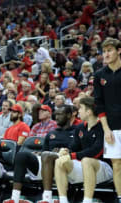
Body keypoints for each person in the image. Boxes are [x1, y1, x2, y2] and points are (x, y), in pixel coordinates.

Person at [3, 105, 75, 203]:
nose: (57, 117)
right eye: (56, 114)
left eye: (60, 114)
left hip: (65, 164)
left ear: (68, 115)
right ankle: (14, 198)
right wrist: (40, 153)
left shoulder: (76, 131)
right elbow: (45, 150)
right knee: (22, 155)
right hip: (46, 162)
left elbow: (76, 150)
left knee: (47, 155)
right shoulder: (51, 133)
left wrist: (62, 152)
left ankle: (46, 198)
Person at [54, 97, 113, 203]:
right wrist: (66, 151)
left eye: (81, 108)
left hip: (104, 168)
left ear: (89, 111)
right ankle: (63, 200)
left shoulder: (103, 127)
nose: (78, 111)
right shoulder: (80, 127)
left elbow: (96, 151)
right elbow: (74, 146)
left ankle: (87, 200)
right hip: (84, 166)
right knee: (59, 161)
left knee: (86, 160)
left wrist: (72, 156)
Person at [94, 37, 121, 202]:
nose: (106, 54)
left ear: (119, 51)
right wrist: (106, 130)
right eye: (104, 51)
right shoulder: (99, 75)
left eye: (110, 50)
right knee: (117, 165)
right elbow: (99, 105)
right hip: (112, 128)